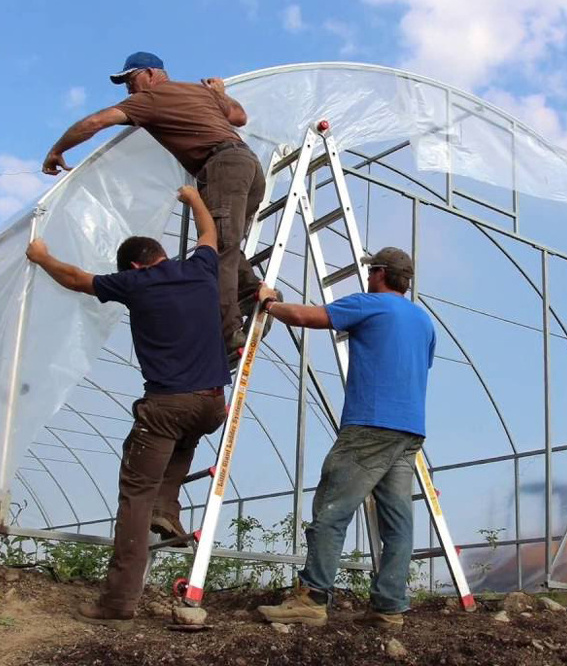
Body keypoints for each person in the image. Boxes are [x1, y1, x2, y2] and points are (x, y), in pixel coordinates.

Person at [26, 186, 230, 628]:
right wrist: (192, 197)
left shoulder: (137, 282)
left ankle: (118, 602)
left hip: (168, 403)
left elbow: (79, 279)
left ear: (136, 266)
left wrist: (41, 256)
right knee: (182, 440)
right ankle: (167, 507)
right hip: (214, 405)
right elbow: (210, 232)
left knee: (133, 495)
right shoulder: (200, 270)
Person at [42, 50, 272, 365]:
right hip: (248, 166)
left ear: (151, 73)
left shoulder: (150, 98)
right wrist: (220, 93)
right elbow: (239, 117)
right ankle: (252, 294)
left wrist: (57, 150)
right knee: (224, 244)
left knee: (216, 251)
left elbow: (97, 121)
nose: (128, 89)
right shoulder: (198, 92)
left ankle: (228, 337)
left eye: (130, 79)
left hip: (221, 167)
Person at [255, 247, 435, 631]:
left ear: (381, 274)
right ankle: (389, 607)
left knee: (332, 510)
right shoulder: (424, 322)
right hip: (409, 431)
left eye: (372, 271)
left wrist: (270, 304)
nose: (368, 276)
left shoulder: (370, 304)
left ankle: (312, 597)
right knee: (398, 523)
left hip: (370, 425)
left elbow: (307, 316)